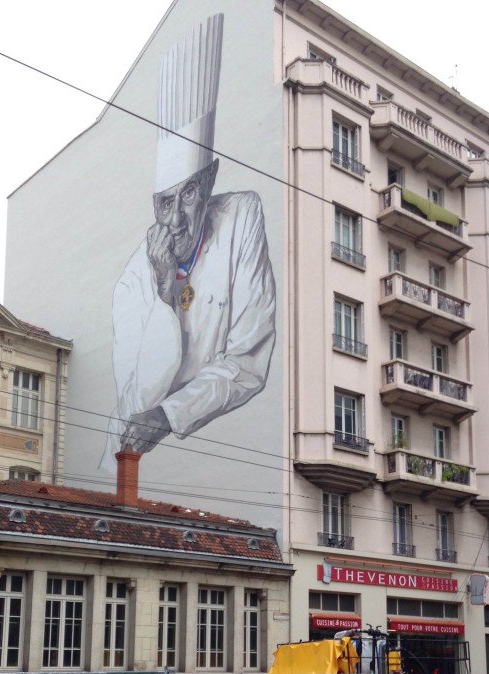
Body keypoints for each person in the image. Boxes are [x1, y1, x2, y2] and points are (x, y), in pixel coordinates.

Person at [106, 12, 276, 460]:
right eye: (164, 201)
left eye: (189, 195)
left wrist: (169, 416)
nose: (176, 219)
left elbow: (247, 362)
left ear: (211, 180)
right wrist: (165, 295)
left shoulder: (242, 214)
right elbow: (137, 401)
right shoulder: (131, 283)